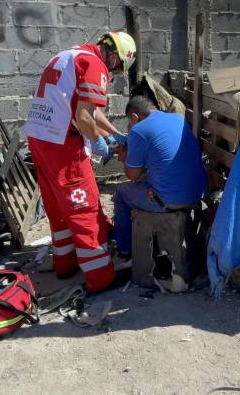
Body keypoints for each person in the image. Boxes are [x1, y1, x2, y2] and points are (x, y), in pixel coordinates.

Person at [22, 30, 136, 292]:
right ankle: (100, 277)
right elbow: (84, 117)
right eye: (117, 68)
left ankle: (66, 264)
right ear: (117, 59)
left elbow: (90, 110)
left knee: (58, 206)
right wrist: (97, 141)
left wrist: (114, 134)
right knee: (84, 206)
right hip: (62, 144)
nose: (114, 72)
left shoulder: (69, 55)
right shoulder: (95, 65)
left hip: (40, 139)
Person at [112, 95, 207, 261]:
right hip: (198, 194)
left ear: (135, 116)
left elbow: (132, 175)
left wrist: (124, 155)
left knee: (121, 192)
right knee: (147, 181)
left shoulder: (138, 130)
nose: (130, 126)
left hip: (172, 202)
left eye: (130, 121)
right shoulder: (177, 118)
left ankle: (124, 251)